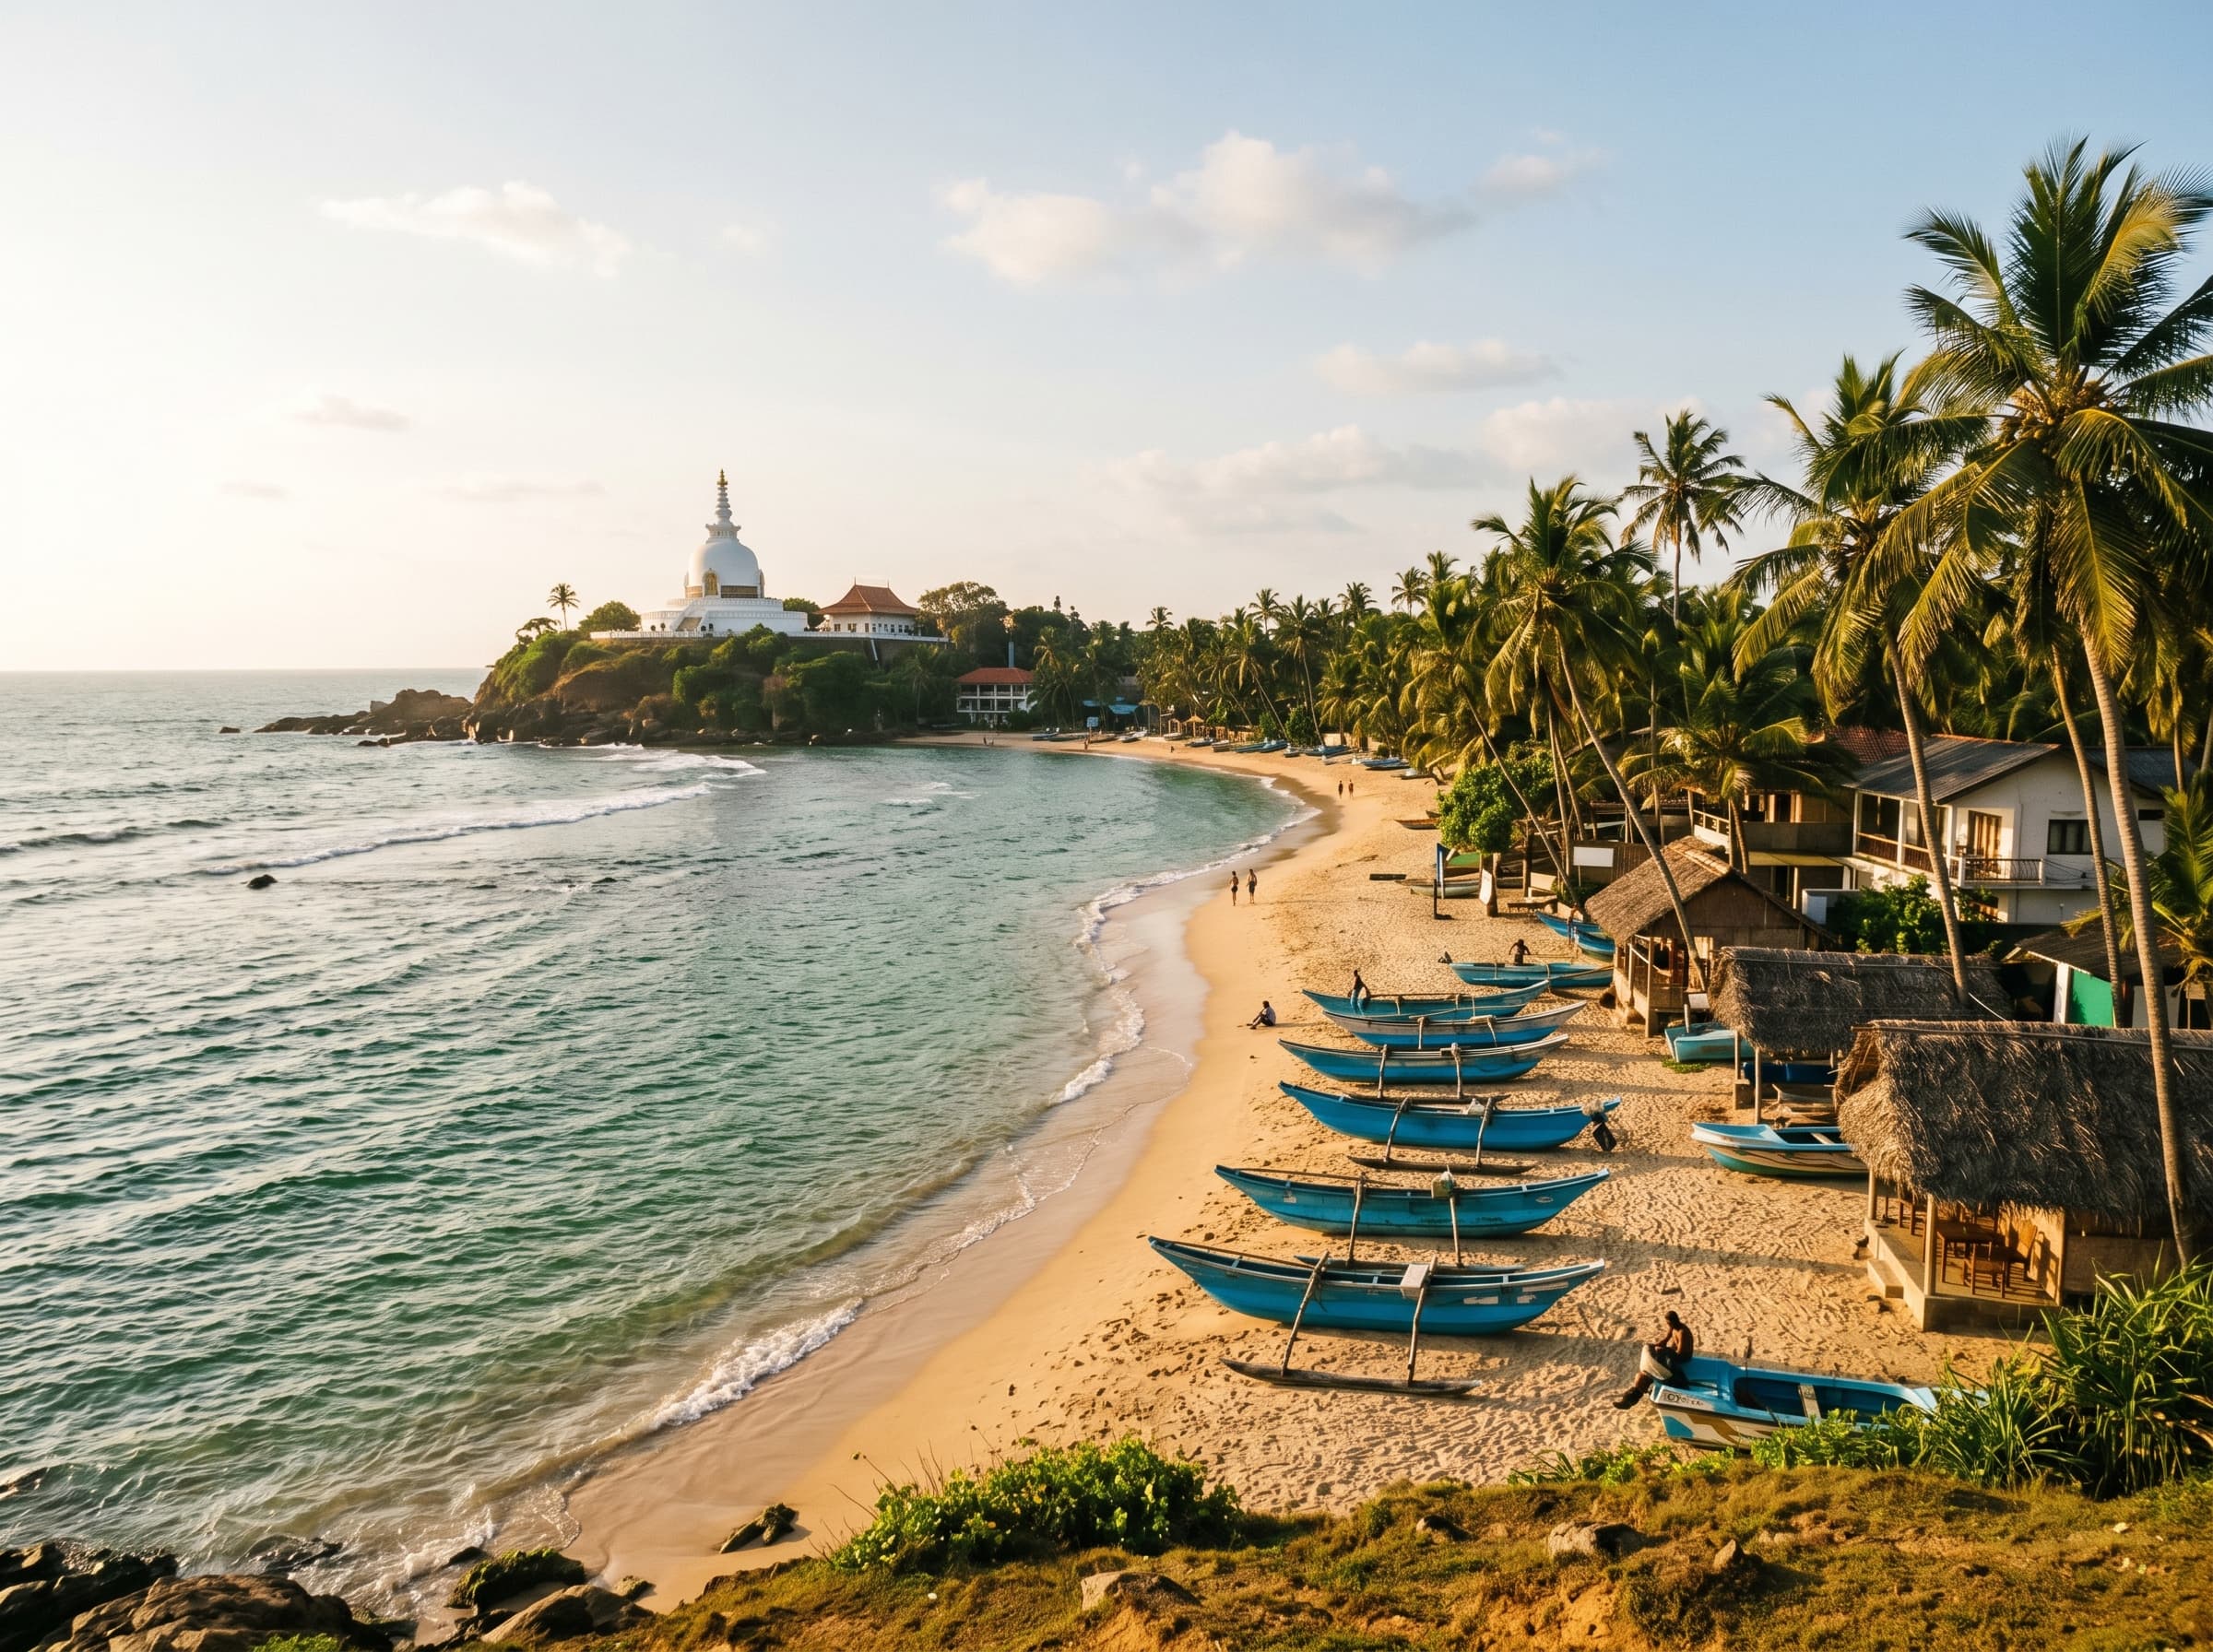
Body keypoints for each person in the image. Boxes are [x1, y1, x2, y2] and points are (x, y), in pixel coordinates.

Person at [1614, 1310, 1694, 1408]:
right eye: (1667, 1323)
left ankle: (1630, 1400)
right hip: (1672, 1356)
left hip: (1682, 1358)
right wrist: (1654, 1347)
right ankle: (1628, 1401)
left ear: (1674, 1321)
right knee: (1642, 1376)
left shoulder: (1683, 1332)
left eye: (1669, 1323)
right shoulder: (1672, 1327)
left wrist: (1665, 1352)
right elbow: (1664, 1341)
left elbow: (1680, 1355)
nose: (1668, 1325)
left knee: (1655, 1371)